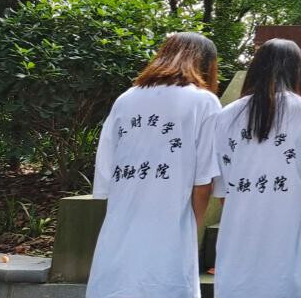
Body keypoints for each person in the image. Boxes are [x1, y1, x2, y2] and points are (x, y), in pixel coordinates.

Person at [87, 32, 222, 298]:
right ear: (205, 64)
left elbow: (105, 170)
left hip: (121, 223)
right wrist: (191, 227)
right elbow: (203, 181)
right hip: (171, 223)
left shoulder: (125, 99)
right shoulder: (203, 102)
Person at [210, 38, 301, 298]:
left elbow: (223, 190)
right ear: (298, 70)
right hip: (291, 236)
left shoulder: (226, 115)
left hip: (238, 235)